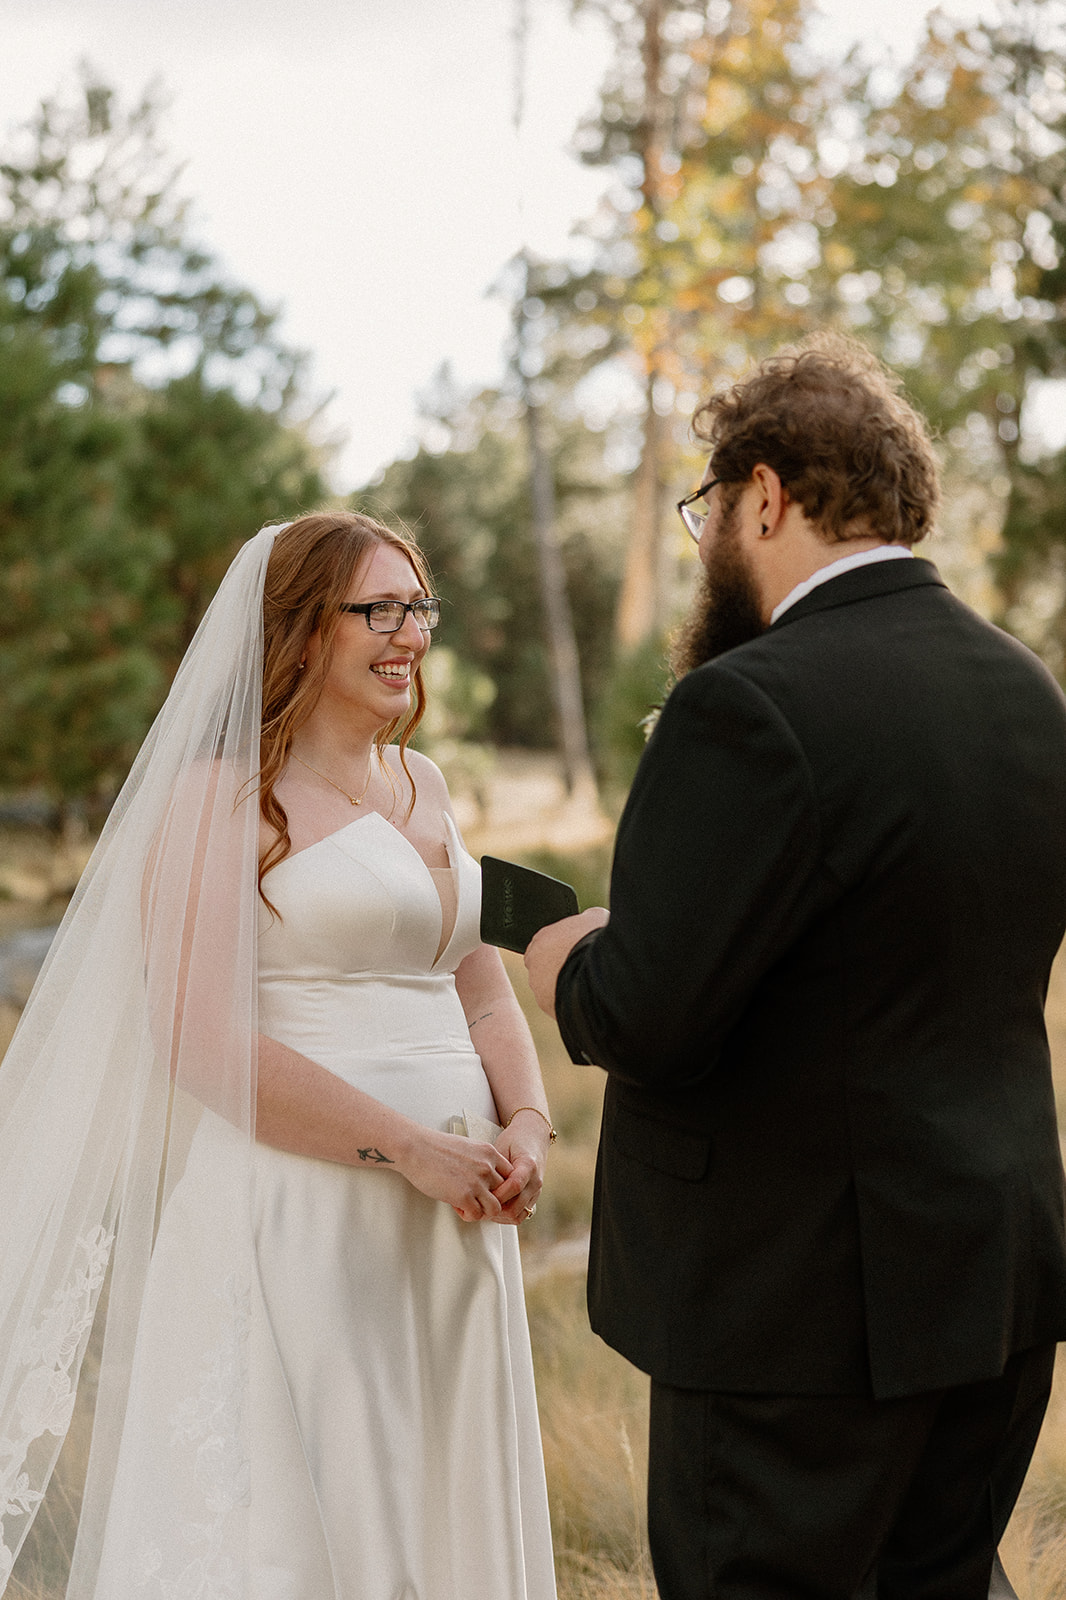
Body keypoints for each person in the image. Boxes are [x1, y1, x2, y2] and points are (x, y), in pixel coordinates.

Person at [524, 335, 1066, 1600]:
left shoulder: (747, 703)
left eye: (707, 506)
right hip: (988, 1278)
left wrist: (567, 962)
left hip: (791, 1311)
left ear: (761, 494)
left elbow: (651, 1018)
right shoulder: (1025, 691)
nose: (707, 535)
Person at [0, 511, 557, 1599]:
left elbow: (479, 985)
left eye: (418, 606)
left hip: (454, 1216)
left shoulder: (426, 784)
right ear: (302, 630)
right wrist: (406, 1148)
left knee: (443, 1498)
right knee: (304, 1524)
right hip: (303, 1212)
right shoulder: (218, 799)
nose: (410, 633)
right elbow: (198, 1041)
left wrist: (527, 1124)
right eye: (379, 610)